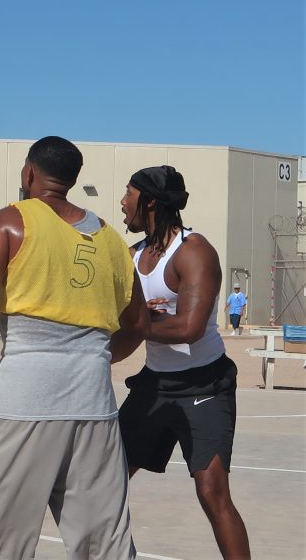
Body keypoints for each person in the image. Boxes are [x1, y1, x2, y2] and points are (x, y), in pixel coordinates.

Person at [0, 136, 148, 560]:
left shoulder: (8, 222)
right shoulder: (113, 242)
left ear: (29, 173)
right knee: (103, 541)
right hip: (93, 402)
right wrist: (94, 357)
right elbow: (139, 325)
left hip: (23, 400)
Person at [118, 165, 251, 559]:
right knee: (103, 482)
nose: (122, 203)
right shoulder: (132, 256)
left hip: (205, 388)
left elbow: (190, 328)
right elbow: (126, 332)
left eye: (128, 194)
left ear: (150, 201)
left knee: (212, 492)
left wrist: (140, 322)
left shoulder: (194, 252)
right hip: (154, 387)